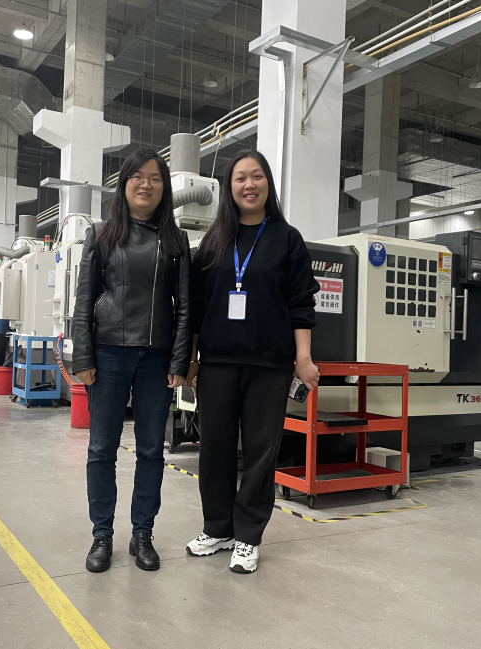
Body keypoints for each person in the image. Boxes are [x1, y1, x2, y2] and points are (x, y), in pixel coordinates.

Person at [185, 150, 320, 574]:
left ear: (267, 184)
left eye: (257, 176)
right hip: (217, 363)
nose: (249, 184)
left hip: (269, 365)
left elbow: (301, 304)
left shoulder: (287, 238)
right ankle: (218, 527)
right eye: (240, 178)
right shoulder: (213, 241)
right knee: (215, 449)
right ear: (229, 188)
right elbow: (196, 307)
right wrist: (191, 358)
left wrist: (303, 358)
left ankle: (248, 536)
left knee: (261, 452)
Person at [73, 149, 191, 573]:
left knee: (151, 450)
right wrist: (83, 355)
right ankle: (101, 534)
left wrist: (180, 360)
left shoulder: (176, 241)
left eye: (155, 178)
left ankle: (143, 533)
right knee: (101, 448)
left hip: (157, 359)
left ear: (164, 188)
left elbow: (185, 308)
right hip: (107, 354)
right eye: (137, 177)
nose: (146, 184)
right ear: (124, 184)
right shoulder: (101, 235)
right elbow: (84, 300)